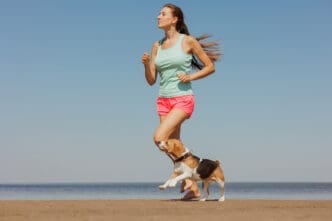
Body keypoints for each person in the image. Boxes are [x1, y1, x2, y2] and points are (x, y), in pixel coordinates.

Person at [141, 3, 221, 200]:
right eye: (159, 13)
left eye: (163, 14)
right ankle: (192, 184)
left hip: (183, 99)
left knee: (159, 139)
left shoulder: (188, 41)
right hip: (163, 100)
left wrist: (190, 77)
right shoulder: (156, 46)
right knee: (173, 146)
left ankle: (191, 176)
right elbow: (151, 80)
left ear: (174, 19)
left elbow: (210, 67)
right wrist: (147, 64)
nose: (158, 16)